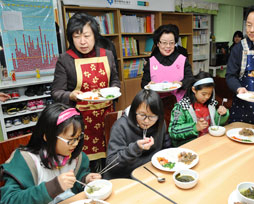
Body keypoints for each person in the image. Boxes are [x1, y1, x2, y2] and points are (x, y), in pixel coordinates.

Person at [51, 12, 120, 166]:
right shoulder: (65, 59)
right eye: (77, 36)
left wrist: (114, 90)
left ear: (95, 35)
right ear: (71, 38)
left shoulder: (107, 55)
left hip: (106, 115)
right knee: (84, 162)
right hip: (80, 120)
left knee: (110, 153)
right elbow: (56, 92)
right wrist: (71, 95)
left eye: (87, 36)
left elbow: (115, 79)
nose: (82, 42)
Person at [0, 103, 101, 204]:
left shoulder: (77, 157)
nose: (76, 143)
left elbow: (77, 180)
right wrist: (53, 187)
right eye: (70, 139)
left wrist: (85, 179)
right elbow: (8, 200)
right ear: (47, 137)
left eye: (79, 137)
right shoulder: (26, 161)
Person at [104, 89, 171, 179]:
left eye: (152, 116)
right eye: (142, 115)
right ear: (134, 111)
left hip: (150, 173)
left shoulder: (160, 123)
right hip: (124, 177)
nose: (146, 121)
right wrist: (135, 148)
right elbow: (111, 164)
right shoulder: (120, 126)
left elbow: (164, 148)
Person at [168, 72, 229, 147]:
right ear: (194, 89)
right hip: (190, 146)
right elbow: (173, 131)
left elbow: (216, 124)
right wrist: (194, 127)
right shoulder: (181, 107)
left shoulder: (211, 105)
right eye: (203, 94)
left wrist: (222, 114)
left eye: (209, 94)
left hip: (209, 142)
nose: (207, 97)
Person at [141, 24, 193, 102]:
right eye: (164, 43)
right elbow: (143, 83)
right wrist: (148, 85)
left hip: (179, 103)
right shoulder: (151, 61)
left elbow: (190, 79)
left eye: (171, 43)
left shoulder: (182, 60)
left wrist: (181, 84)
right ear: (158, 43)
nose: (168, 46)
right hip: (156, 103)